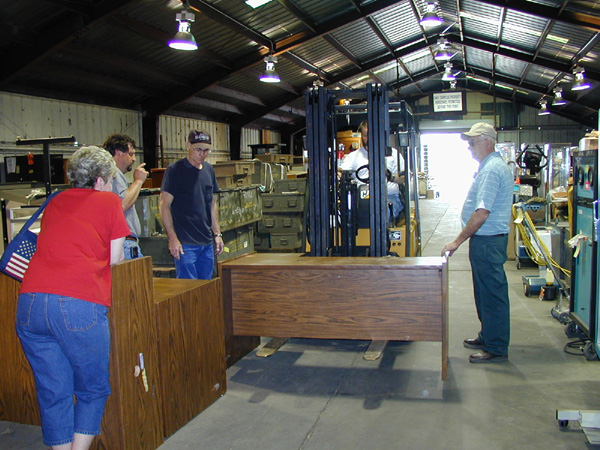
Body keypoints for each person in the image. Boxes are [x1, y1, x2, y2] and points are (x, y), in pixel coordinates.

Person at [16, 146, 130, 450]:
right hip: (77, 303)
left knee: (54, 391)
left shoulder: (55, 200)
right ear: (100, 180)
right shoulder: (109, 201)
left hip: (30, 304)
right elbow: (116, 258)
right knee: (93, 390)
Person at [441, 123, 514, 364]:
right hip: (485, 241)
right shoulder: (489, 166)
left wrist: (457, 241)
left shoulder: (492, 170)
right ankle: (488, 335)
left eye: (473, 142)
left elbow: (482, 212)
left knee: (492, 294)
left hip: (488, 242)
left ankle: (496, 346)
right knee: (484, 292)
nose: (470, 148)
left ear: (487, 141)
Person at [159, 129, 224, 279]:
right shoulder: (175, 170)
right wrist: (173, 238)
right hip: (185, 243)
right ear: (188, 145)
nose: (202, 154)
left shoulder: (209, 170)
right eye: (198, 150)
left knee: (206, 288)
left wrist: (217, 234)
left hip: (206, 242)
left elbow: (211, 203)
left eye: (206, 150)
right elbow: (164, 205)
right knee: (188, 291)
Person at [339, 120, 405, 222]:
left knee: (381, 214)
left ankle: (382, 235)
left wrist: (390, 176)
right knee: (343, 216)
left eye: (370, 135)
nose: (368, 139)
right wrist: (338, 174)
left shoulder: (392, 154)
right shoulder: (353, 157)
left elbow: (405, 178)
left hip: (389, 197)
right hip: (360, 199)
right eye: (365, 135)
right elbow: (341, 171)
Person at [103, 134, 148, 259]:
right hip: (125, 243)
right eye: (131, 154)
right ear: (118, 153)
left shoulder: (113, 174)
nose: (134, 159)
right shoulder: (114, 173)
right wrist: (138, 181)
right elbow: (122, 204)